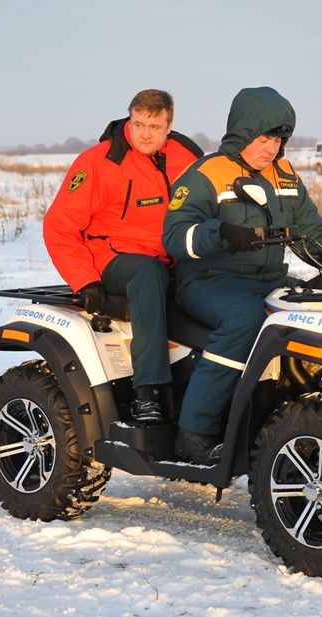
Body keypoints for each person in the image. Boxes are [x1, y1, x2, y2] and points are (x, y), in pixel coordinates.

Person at [162, 86, 322, 464]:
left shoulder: (285, 175)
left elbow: (312, 228)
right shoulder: (207, 173)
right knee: (246, 320)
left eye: (278, 138)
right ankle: (195, 432)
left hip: (270, 279)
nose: (271, 148)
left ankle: (298, 420)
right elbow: (175, 236)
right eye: (263, 137)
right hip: (208, 280)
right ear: (242, 132)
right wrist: (220, 234)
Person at [43, 89, 203, 423]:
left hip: (173, 255)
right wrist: (84, 278)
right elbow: (59, 226)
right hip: (113, 257)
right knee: (148, 273)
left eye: (154, 126)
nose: (145, 133)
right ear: (129, 119)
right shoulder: (99, 161)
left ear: (169, 126)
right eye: (138, 123)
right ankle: (148, 391)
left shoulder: (187, 156)